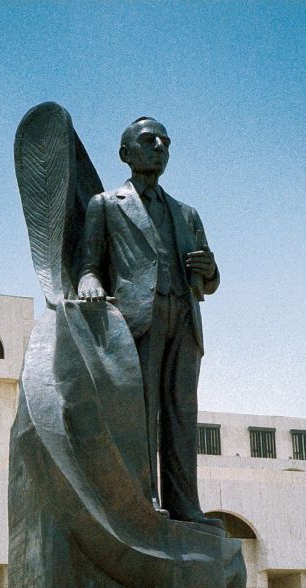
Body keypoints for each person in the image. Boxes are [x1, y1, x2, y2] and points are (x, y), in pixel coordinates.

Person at [78, 116, 221, 526]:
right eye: (148, 140)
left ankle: (185, 505)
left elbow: (210, 282)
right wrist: (89, 282)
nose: (159, 146)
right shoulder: (105, 205)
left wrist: (209, 269)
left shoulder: (186, 213)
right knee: (141, 414)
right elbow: (89, 265)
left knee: (181, 415)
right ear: (125, 154)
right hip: (138, 319)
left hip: (185, 320)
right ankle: (142, 498)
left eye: (165, 141)